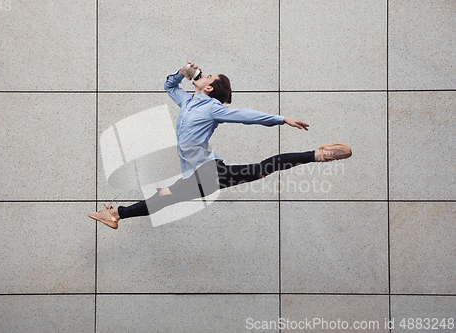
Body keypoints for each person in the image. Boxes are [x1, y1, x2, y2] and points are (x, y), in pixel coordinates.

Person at [89, 63, 352, 229]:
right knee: (259, 170)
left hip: (207, 173)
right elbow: (169, 86)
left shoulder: (213, 107)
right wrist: (181, 73)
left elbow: (246, 116)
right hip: (201, 175)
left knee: (164, 198)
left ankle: (318, 155)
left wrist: (282, 119)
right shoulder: (189, 102)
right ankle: (116, 215)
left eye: (208, 75)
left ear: (210, 87)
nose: (203, 73)